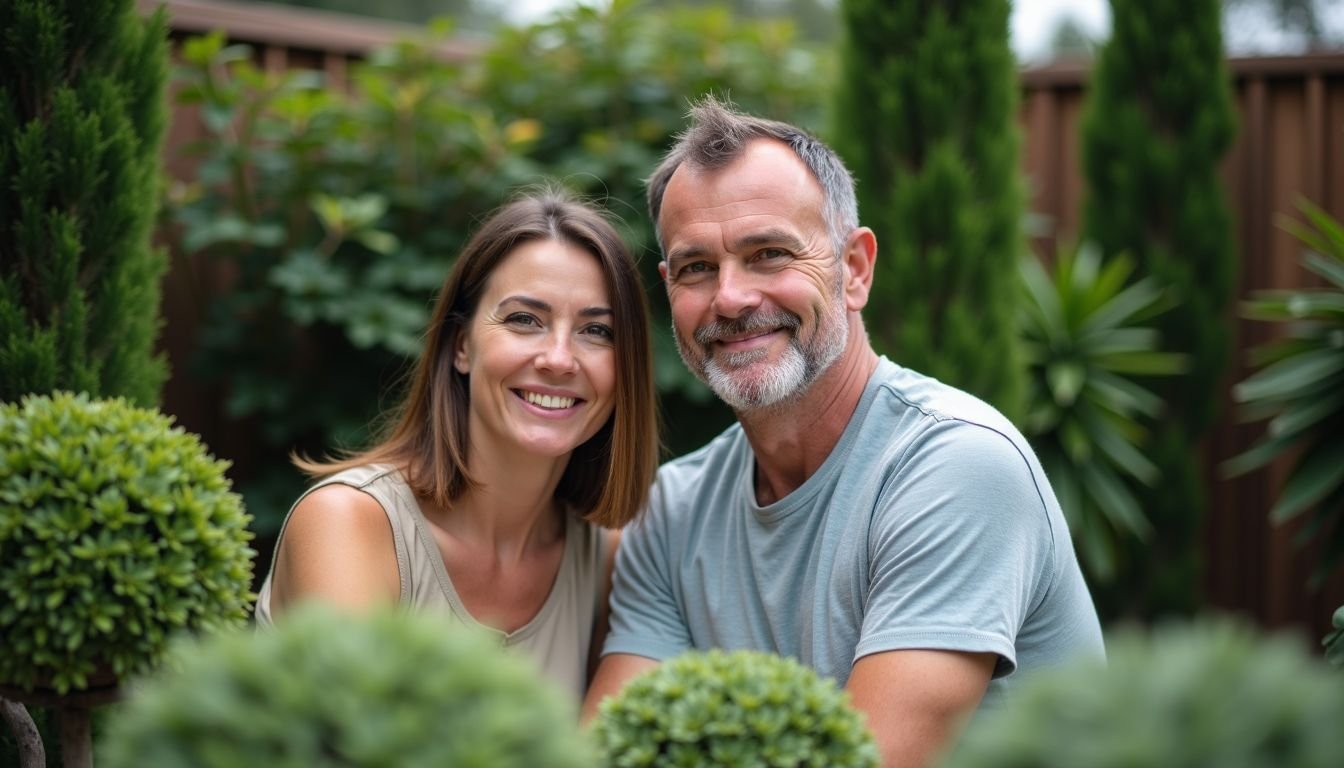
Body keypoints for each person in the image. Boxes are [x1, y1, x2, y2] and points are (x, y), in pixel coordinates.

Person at [581, 99, 1105, 766]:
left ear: (854, 269)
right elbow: (608, 750)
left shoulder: (956, 467)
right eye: (696, 268)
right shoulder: (674, 512)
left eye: (768, 254)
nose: (731, 298)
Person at [254, 190, 660, 699]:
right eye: (524, 320)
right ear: (461, 345)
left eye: (597, 330)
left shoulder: (607, 559)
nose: (559, 359)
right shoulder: (348, 522)